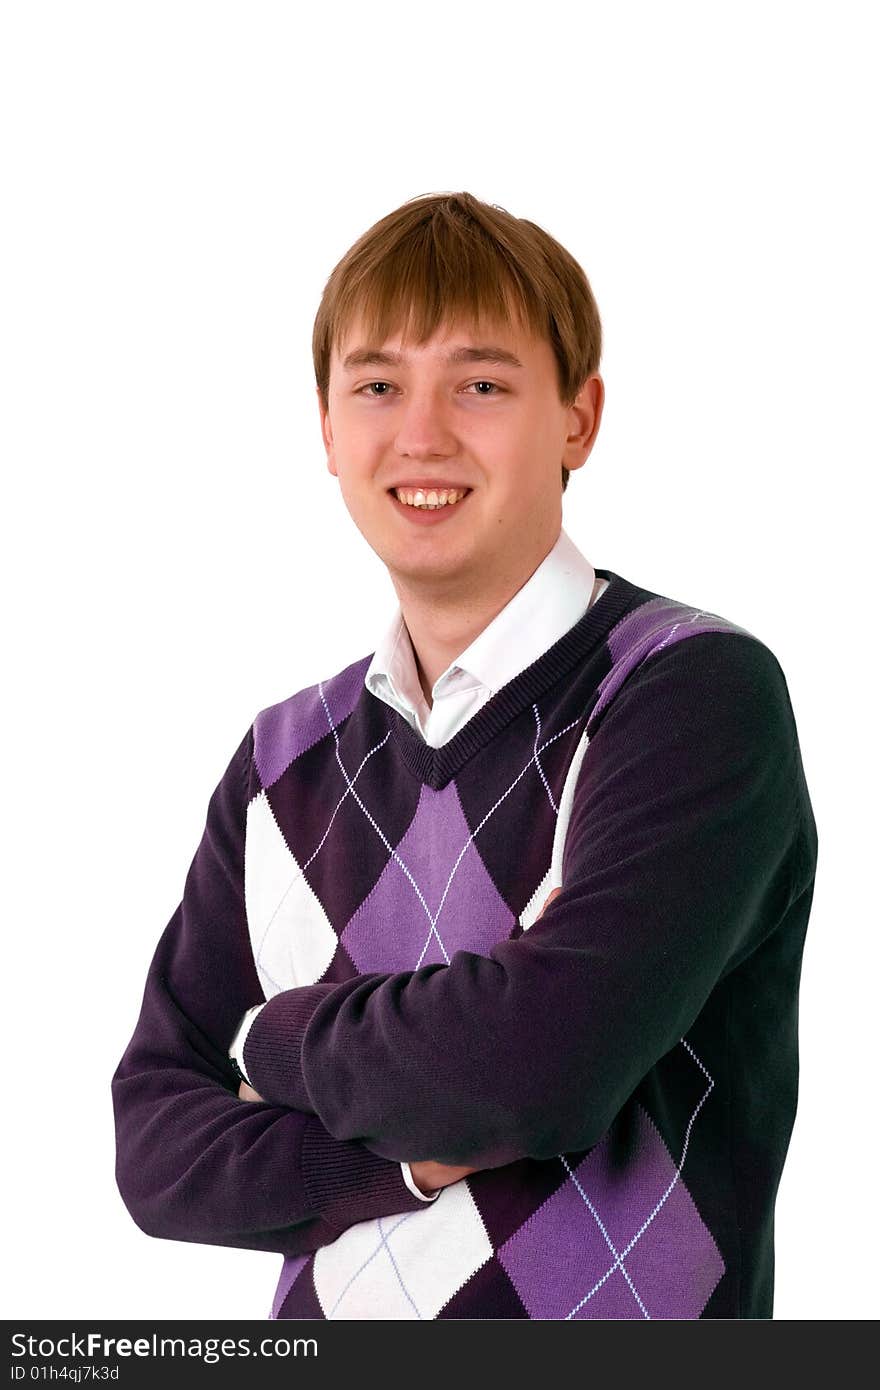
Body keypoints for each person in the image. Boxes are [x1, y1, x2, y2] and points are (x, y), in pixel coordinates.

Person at [112, 191, 819, 1320]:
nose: (423, 435)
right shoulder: (282, 758)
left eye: (481, 385)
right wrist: (394, 1158)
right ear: (328, 428)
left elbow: (536, 1067)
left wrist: (271, 1035)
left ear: (579, 419)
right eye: (378, 386)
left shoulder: (688, 694)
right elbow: (154, 1148)